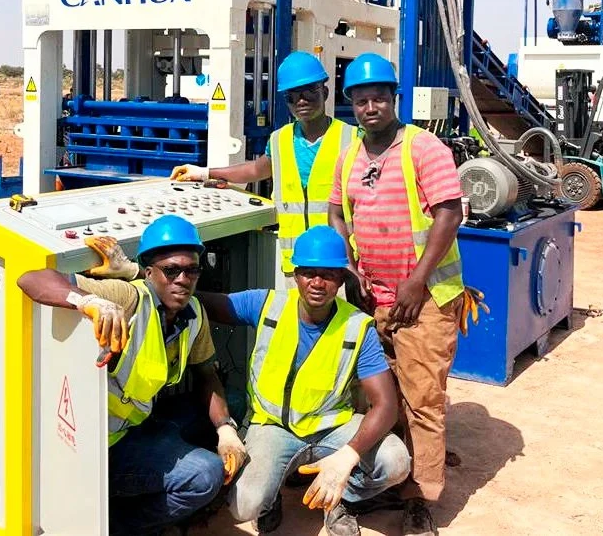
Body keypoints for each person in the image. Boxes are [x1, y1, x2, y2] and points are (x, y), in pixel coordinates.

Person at [16, 215, 247, 536]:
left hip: (143, 421)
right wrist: (88, 301)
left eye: (192, 270)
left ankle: (157, 498)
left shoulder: (193, 314)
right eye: (171, 270)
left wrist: (225, 430)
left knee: (233, 401)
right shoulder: (128, 298)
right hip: (103, 445)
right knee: (204, 475)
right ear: (149, 273)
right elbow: (32, 278)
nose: (183, 278)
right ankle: (121, 525)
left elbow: (206, 372)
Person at [327, 53, 465, 536]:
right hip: (373, 299)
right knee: (380, 397)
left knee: (423, 399)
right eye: (361, 100)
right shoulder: (349, 156)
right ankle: (388, 476)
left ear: (394, 99)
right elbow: (337, 215)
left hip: (424, 300)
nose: (370, 108)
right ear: (351, 105)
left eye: (379, 98)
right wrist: (349, 266)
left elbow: (450, 212)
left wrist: (417, 279)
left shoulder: (424, 148)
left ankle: (420, 497)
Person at [199, 224, 411, 536]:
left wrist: (346, 458)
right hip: (272, 427)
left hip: (332, 427)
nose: (317, 282)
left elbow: (386, 405)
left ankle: (342, 498)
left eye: (327, 274)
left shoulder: (357, 326)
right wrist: (139, 275)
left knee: (396, 462)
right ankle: (272, 499)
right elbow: (202, 300)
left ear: (340, 279)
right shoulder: (268, 305)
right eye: (308, 272)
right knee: (246, 505)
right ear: (296, 274)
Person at [171, 51, 356, 277]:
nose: (302, 100)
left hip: (340, 262)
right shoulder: (279, 139)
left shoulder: (352, 138)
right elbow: (256, 170)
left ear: (325, 92)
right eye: (292, 95)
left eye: (310, 92)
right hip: (296, 263)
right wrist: (202, 172)